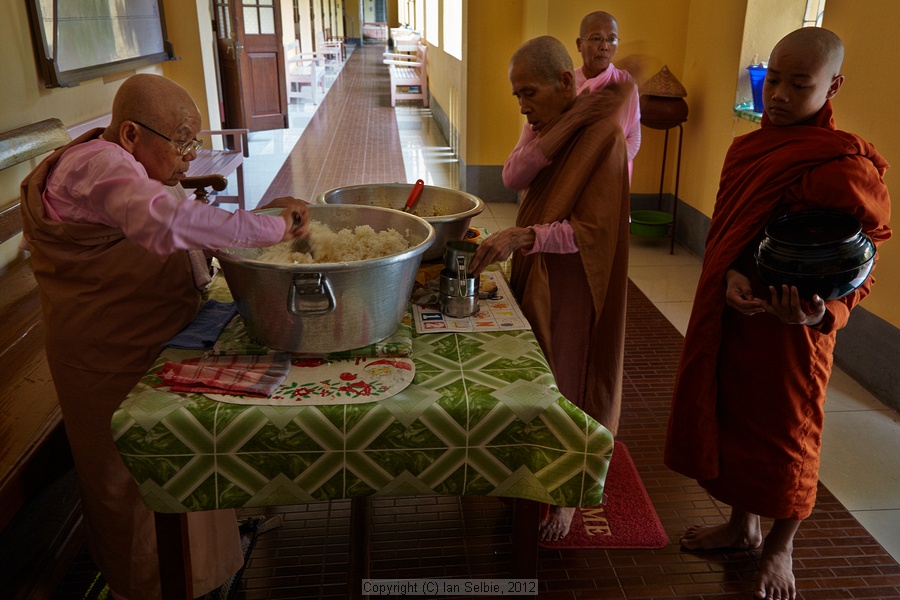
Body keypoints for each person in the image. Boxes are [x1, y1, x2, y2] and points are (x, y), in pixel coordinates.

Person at [20, 73, 310, 600]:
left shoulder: (123, 161)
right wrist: (271, 228)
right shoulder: (98, 166)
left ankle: (201, 575)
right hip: (106, 347)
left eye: (193, 142)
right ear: (131, 134)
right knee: (128, 476)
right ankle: (153, 587)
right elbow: (163, 222)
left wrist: (254, 222)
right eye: (181, 141)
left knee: (185, 454)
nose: (188, 157)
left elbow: (177, 212)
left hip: (150, 326)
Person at [664, 28, 891, 600]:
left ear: (833, 85)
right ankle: (743, 527)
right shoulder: (749, 148)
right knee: (739, 418)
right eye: (774, 80)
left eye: (800, 83)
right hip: (741, 317)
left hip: (798, 333)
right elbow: (736, 234)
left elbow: (864, 266)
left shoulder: (843, 166)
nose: (780, 95)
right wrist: (734, 275)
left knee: (789, 435)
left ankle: (779, 547)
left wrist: (823, 316)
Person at [468, 36, 631, 542]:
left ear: (566, 82)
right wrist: (552, 133)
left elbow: (594, 233)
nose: (523, 105)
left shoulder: (604, 134)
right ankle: (530, 470)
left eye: (529, 93)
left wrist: (524, 236)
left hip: (578, 280)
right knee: (538, 377)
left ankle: (569, 495)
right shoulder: (547, 126)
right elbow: (515, 175)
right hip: (540, 271)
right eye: (517, 95)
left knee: (571, 384)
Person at [502, 10, 640, 191]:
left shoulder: (625, 84)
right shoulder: (561, 86)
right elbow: (512, 177)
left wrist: (605, 164)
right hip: (560, 190)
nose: (605, 46)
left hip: (608, 183)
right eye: (596, 38)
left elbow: (634, 138)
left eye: (612, 39)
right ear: (579, 44)